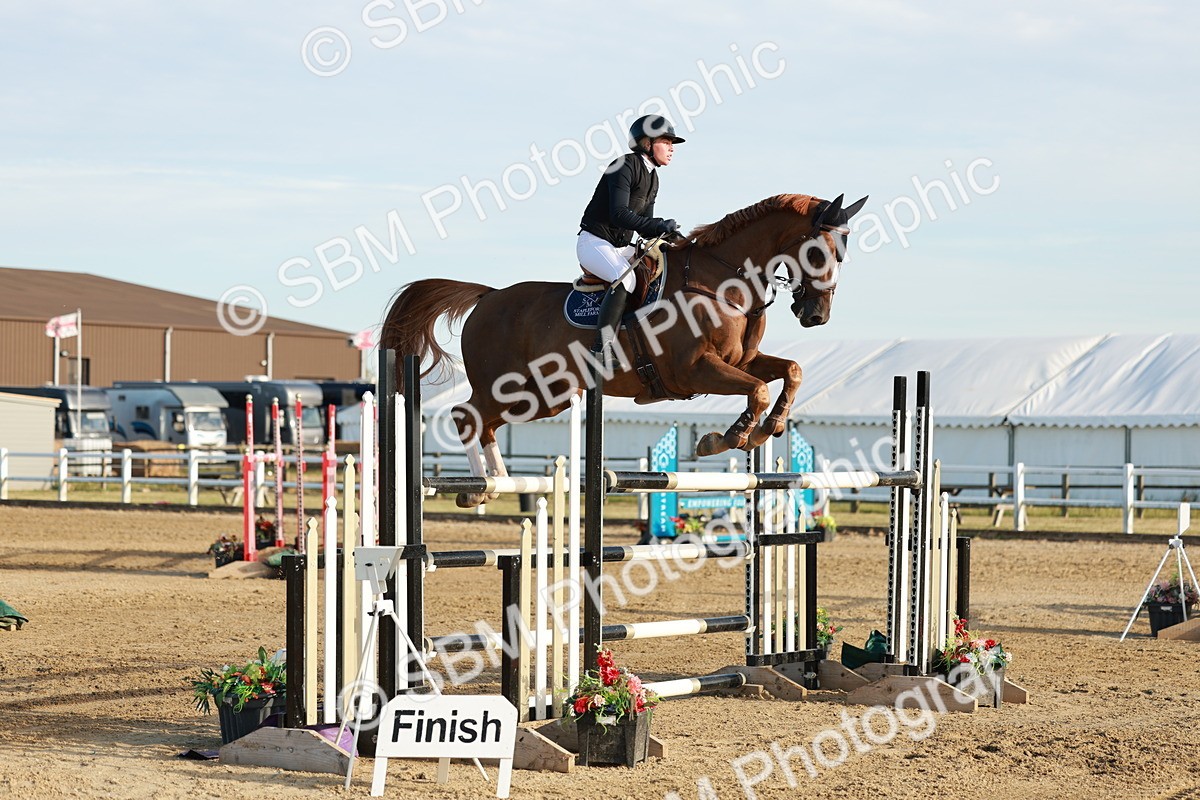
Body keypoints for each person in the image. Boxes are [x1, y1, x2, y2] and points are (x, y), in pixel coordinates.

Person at [578, 114, 685, 364]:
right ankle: (601, 349)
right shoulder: (624, 165)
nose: (671, 148)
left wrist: (672, 236)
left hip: (619, 247)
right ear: (647, 143)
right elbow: (619, 214)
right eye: (666, 142)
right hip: (594, 241)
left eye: (672, 143)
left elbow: (645, 226)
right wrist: (658, 224)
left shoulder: (653, 177)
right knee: (625, 279)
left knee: (659, 270)